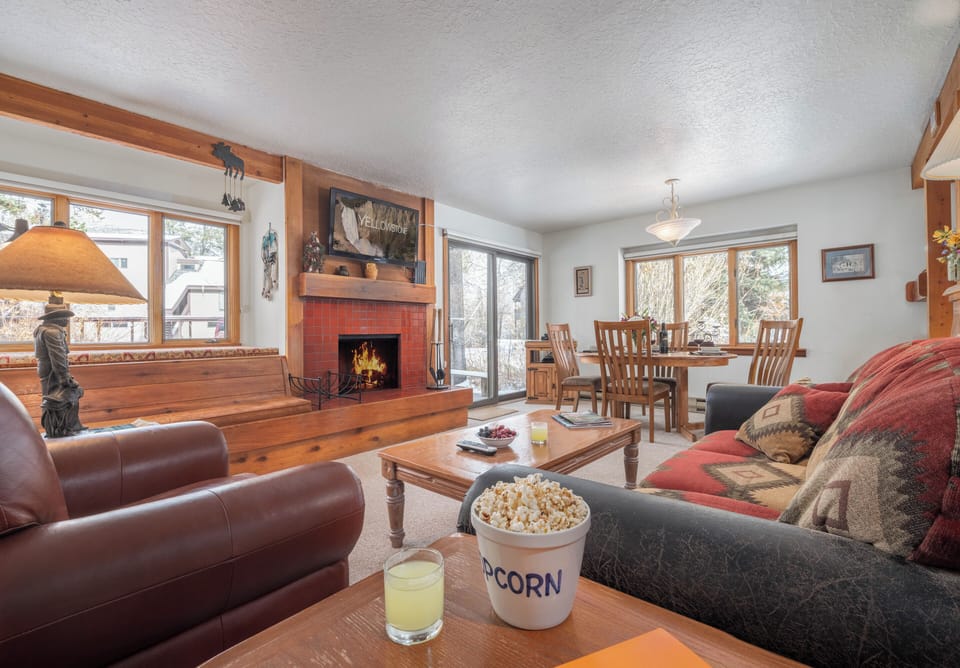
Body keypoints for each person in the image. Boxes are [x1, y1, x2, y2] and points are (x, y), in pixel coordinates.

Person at [34, 306, 86, 437]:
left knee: (55, 396)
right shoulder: (52, 332)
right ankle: (62, 429)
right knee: (62, 397)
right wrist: (64, 378)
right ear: (56, 318)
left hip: (48, 370)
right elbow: (58, 357)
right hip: (54, 371)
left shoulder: (43, 329)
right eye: (64, 316)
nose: (67, 320)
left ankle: (68, 427)